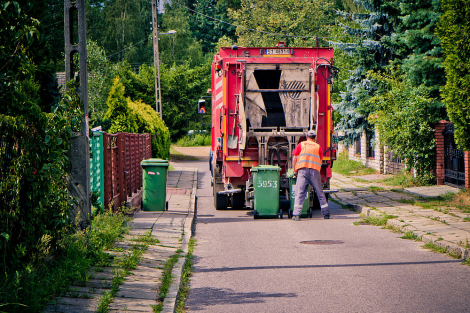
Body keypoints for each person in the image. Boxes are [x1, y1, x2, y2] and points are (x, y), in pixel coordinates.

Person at [291, 130, 330, 221]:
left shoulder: (301, 145)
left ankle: (296, 215)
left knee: (300, 193)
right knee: (319, 192)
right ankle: (326, 214)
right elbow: (320, 160)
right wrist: (317, 170)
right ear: (315, 138)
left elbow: (294, 158)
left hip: (302, 171)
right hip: (314, 171)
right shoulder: (318, 147)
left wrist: (295, 170)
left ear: (307, 137)